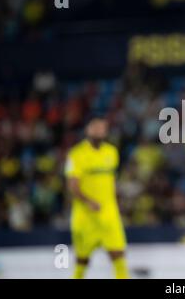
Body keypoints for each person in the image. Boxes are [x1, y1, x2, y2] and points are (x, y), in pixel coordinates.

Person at [65, 116, 129, 279]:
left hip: (108, 213)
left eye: (102, 128)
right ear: (87, 130)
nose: (99, 131)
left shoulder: (112, 152)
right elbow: (72, 185)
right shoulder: (77, 154)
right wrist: (88, 201)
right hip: (85, 215)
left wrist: (116, 201)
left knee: (118, 255)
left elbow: (111, 181)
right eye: (96, 128)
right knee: (82, 260)